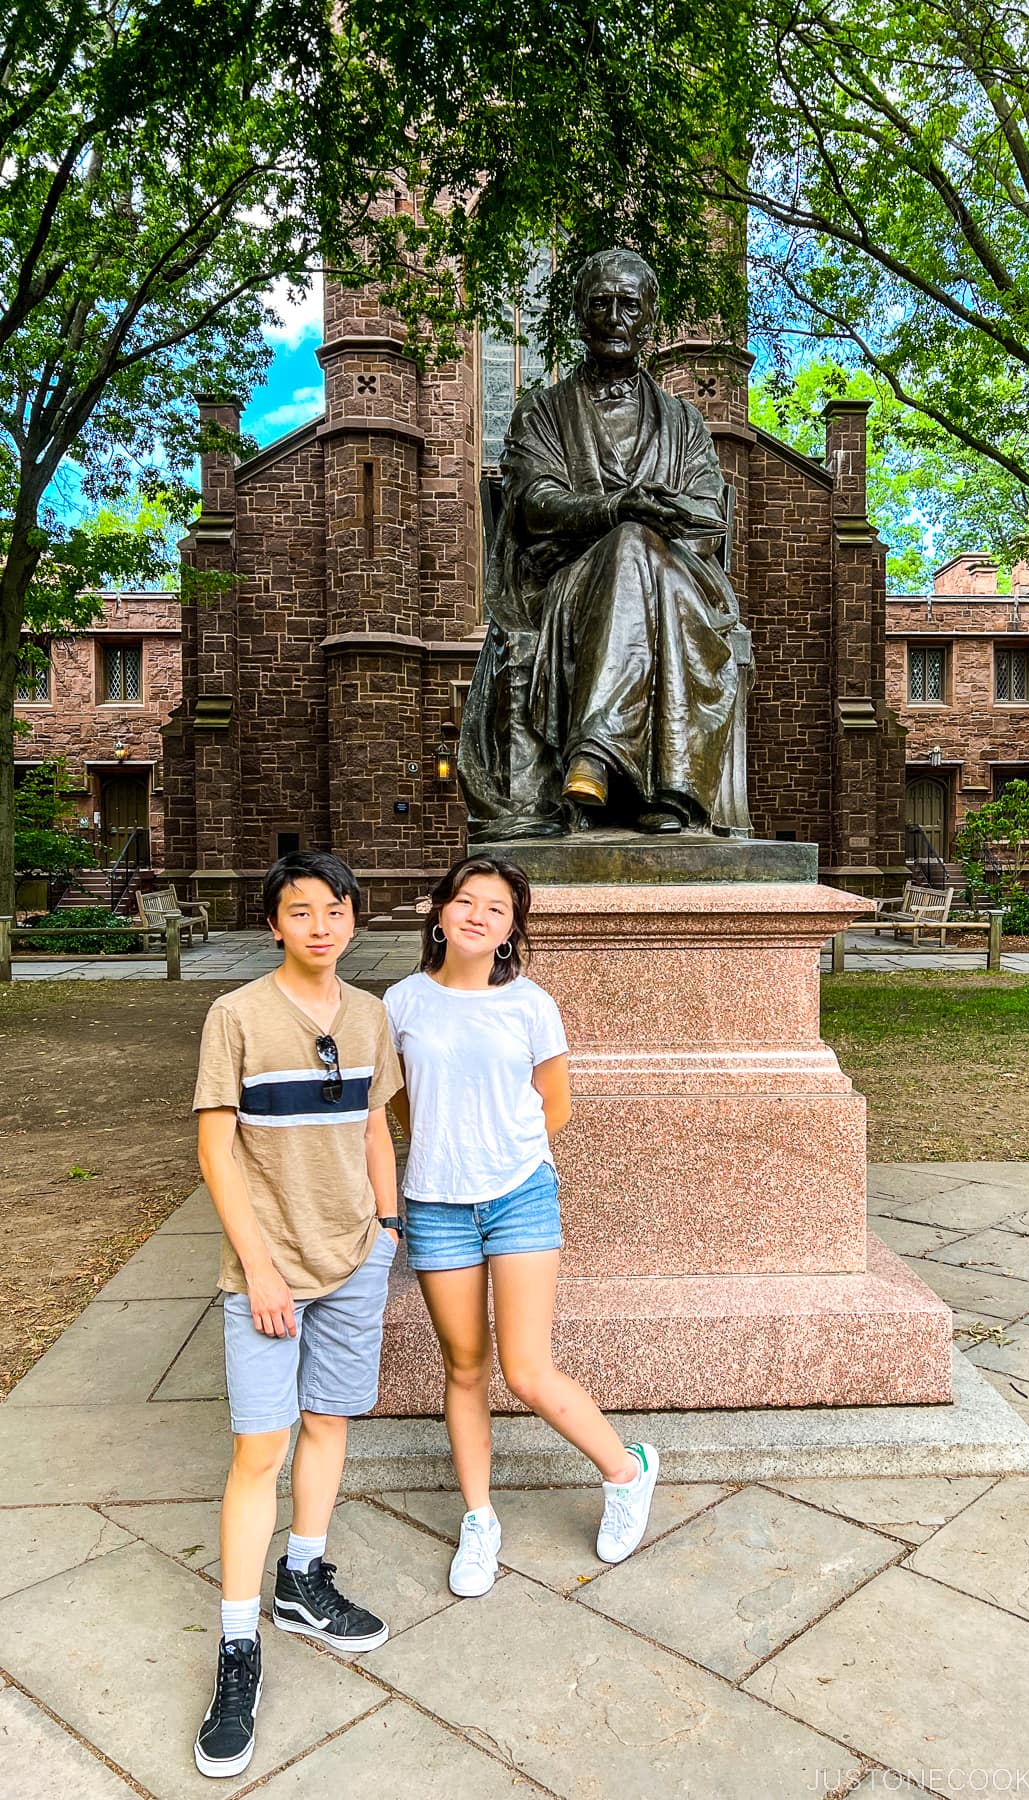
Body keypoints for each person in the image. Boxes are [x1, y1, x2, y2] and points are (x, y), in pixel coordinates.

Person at [383, 854, 658, 1597]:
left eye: (495, 908)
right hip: (436, 1202)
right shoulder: (401, 1003)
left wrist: (498, 1151)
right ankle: (479, 1522)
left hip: (518, 1196)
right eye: (464, 901)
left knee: (526, 1369)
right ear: (439, 913)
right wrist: (443, 1145)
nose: (476, 914)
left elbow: (554, 1105)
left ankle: (626, 1471)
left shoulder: (531, 1003)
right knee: (465, 1367)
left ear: (510, 931)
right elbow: (400, 1102)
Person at [191, 851, 404, 1780]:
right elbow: (216, 1149)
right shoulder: (235, 1017)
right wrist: (260, 1268)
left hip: (356, 1258)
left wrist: (387, 1229)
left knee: (328, 1424)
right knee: (260, 1450)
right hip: (269, 1275)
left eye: (333, 910)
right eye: (298, 911)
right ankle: (239, 1648)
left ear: (353, 919)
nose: (319, 924)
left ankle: (303, 1578)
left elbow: (372, 1125)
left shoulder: (371, 1015)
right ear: (274, 923)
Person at [458, 246, 743, 838]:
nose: (615, 316)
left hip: (680, 584)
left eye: (629, 305)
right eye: (601, 303)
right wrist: (616, 511)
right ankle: (665, 789)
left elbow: (709, 515)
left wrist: (644, 524)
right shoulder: (541, 412)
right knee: (628, 542)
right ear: (580, 317)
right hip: (570, 584)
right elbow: (534, 503)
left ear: (649, 320)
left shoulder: (685, 424)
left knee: (639, 545)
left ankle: (596, 756)